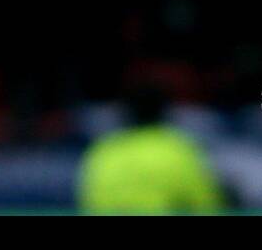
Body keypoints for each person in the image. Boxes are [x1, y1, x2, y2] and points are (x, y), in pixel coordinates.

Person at [76, 84, 226, 213]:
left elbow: (89, 203)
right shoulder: (179, 149)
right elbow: (206, 205)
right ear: (165, 111)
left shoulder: (103, 150)